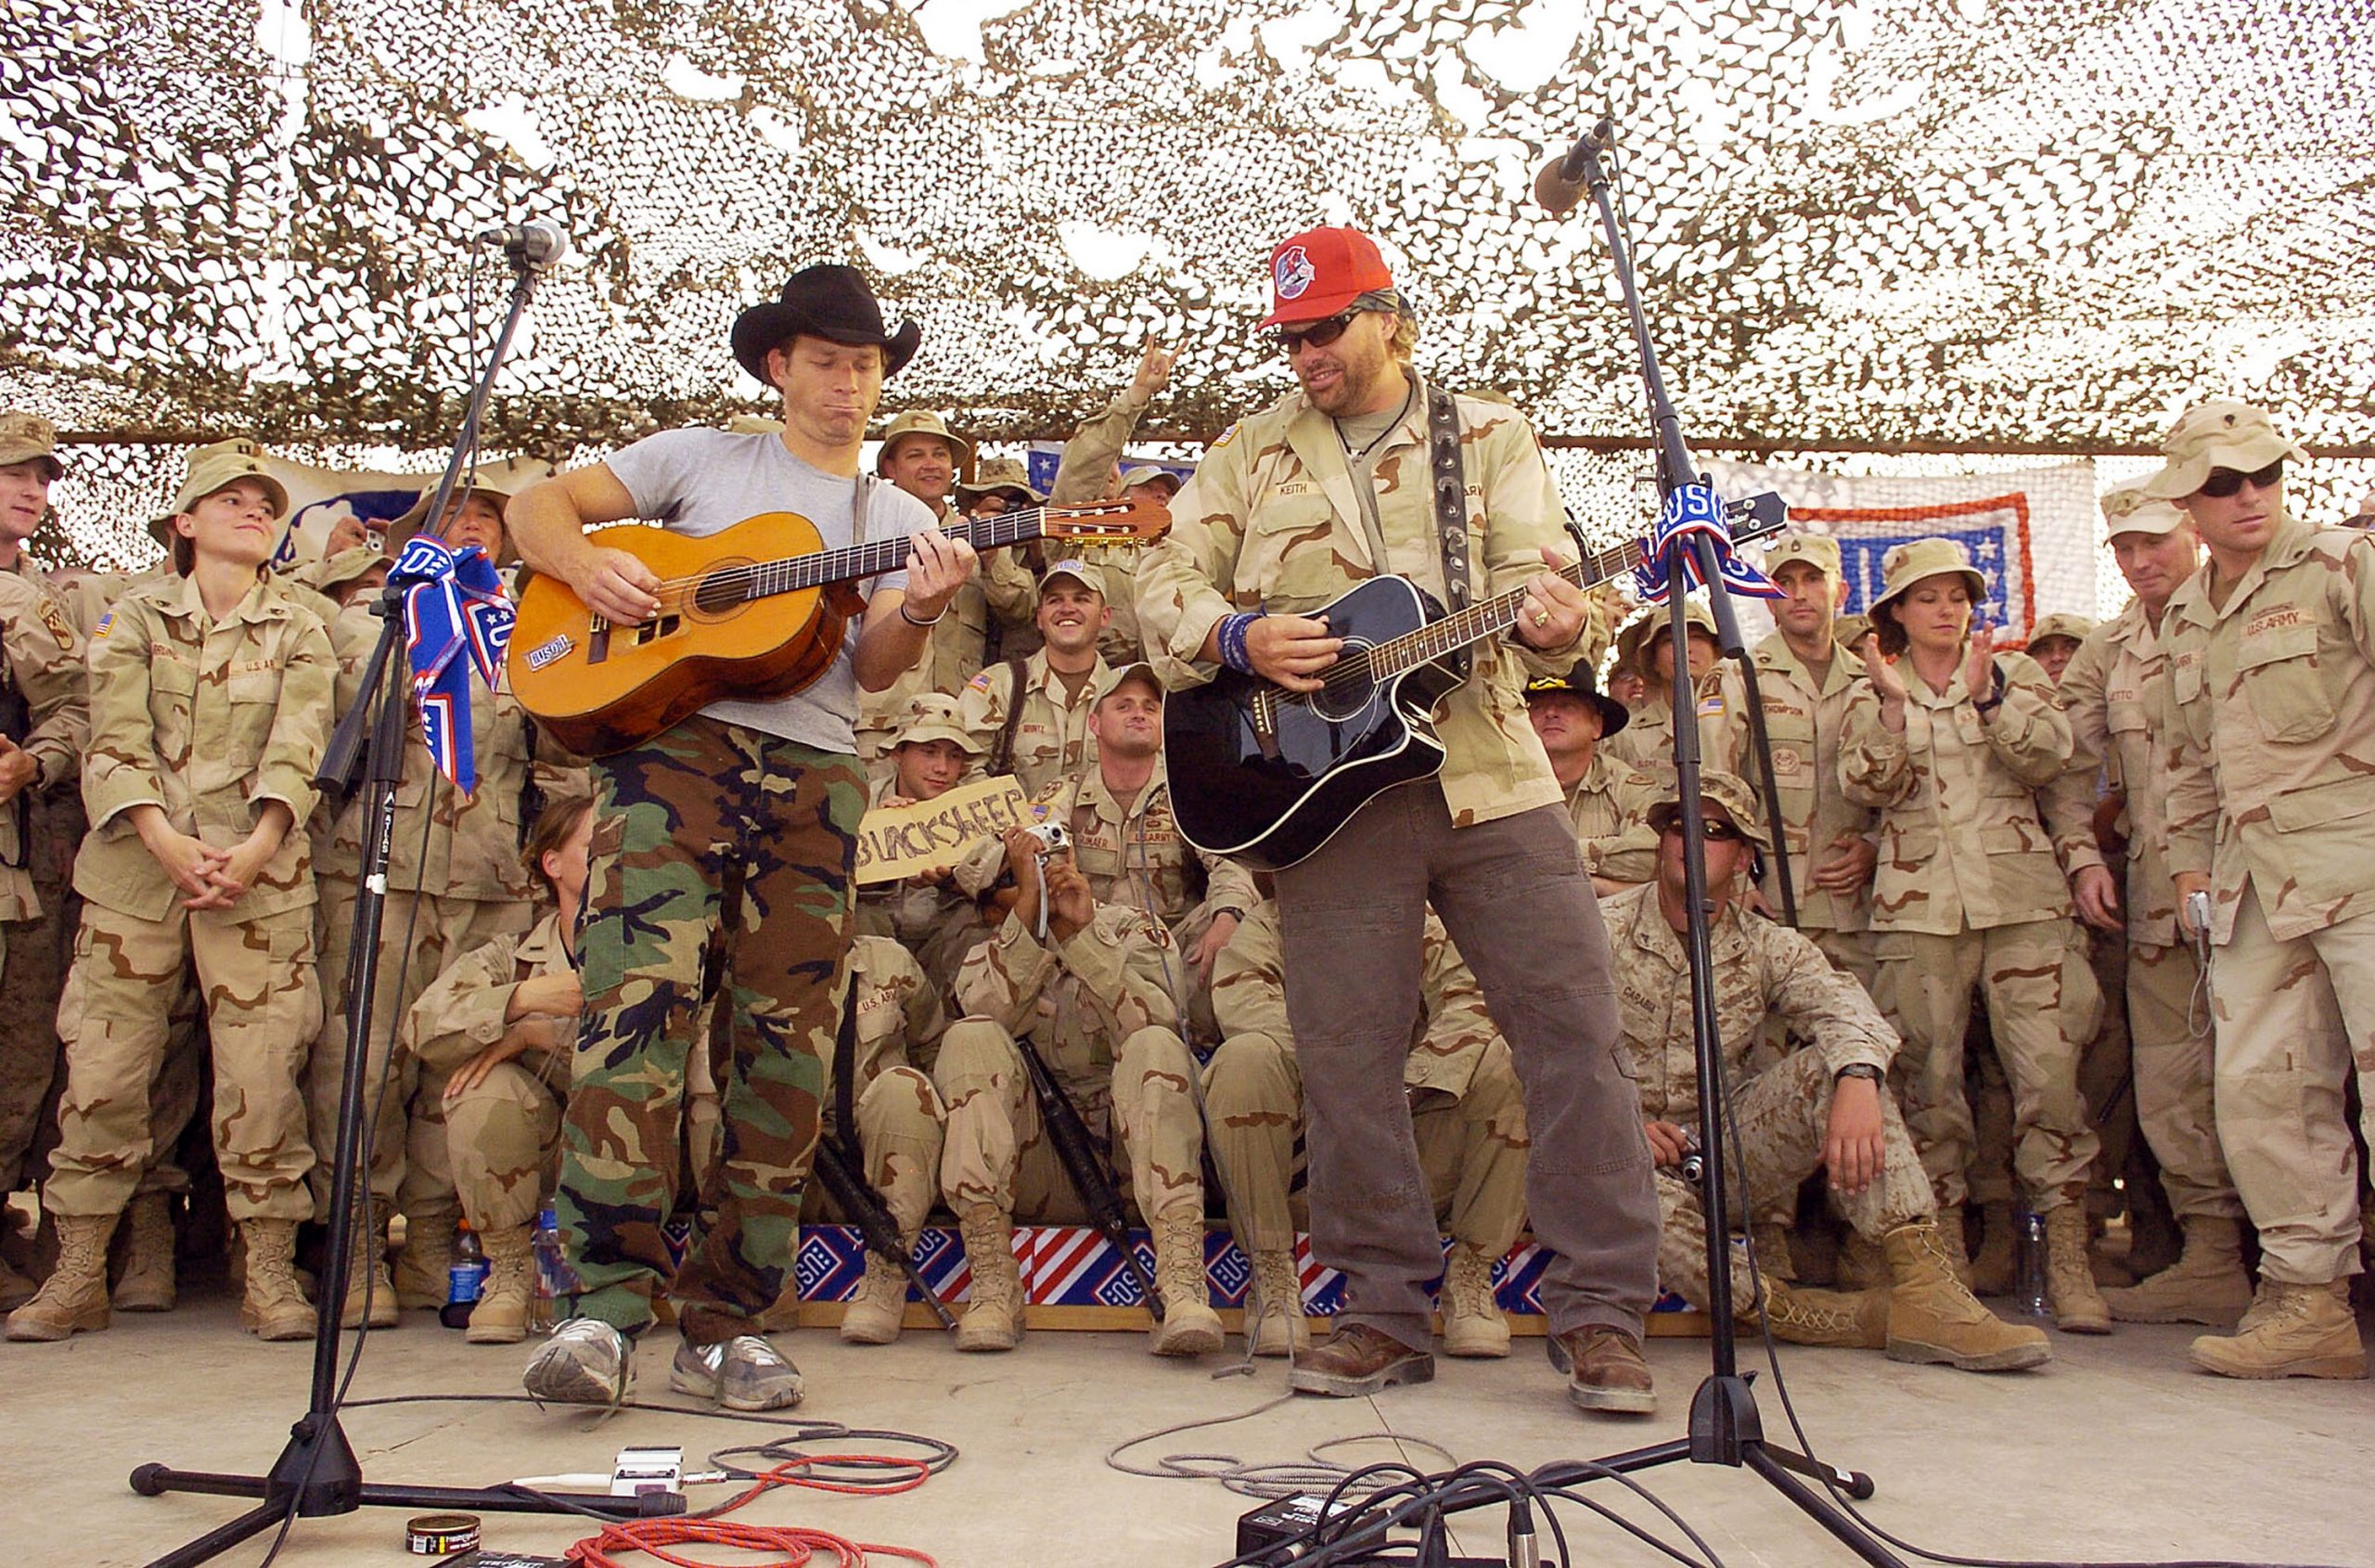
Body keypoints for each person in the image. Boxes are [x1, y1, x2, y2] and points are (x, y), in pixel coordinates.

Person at [1135, 224, 1662, 1413]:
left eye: (1325, 328)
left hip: (1491, 776)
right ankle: (1379, 1307)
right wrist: (1236, 637)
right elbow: (1156, 581)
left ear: (1388, 318)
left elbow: (1559, 592)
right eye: (1289, 336)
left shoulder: (1486, 435)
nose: (1306, 353)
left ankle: (1601, 1314)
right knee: (1345, 1055)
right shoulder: (1249, 451)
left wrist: (1555, 626)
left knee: (1574, 1035)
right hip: (1325, 796)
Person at [504, 263, 974, 1409]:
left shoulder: (898, 518)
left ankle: (725, 1320)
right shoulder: (698, 458)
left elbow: (871, 672)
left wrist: (914, 609)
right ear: (779, 366)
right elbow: (533, 506)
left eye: (866, 366)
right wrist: (588, 565)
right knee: (638, 1015)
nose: (849, 385)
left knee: (788, 1051)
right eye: (827, 361)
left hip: (816, 774)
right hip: (672, 757)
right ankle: (600, 1313)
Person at [7, 441, 334, 1344]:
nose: (253, 511)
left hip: (257, 884)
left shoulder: (299, 625)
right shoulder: (133, 619)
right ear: (184, 523)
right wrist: (164, 837)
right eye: (230, 499)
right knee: (105, 1075)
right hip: (134, 880)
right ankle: (79, 1272)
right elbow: (114, 742)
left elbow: (301, 746)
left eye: (265, 502)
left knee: (263, 1079)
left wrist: (259, 841)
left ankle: (267, 1269)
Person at [1606, 772, 2049, 1370]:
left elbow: (1844, 1007)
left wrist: (1859, 1080)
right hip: (1613, 1152)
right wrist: (1620, 1118)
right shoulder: (1598, 929)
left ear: (1742, 858)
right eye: (1679, 825)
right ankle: (1805, 1316)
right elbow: (1540, 1040)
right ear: (1660, 840)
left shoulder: (1768, 945)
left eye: (1714, 831)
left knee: (1838, 1068)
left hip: (1718, 1152)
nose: (1692, 840)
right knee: (1637, 1205)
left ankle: (1928, 1285)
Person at [2150, 401, 2375, 1380]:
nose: (2248, 496)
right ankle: (2308, 1303)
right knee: (2258, 1093)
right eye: (2221, 483)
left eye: (2263, 475)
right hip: (2254, 887)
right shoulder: (2188, 615)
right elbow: (2186, 761)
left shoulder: (2339, 567)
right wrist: (2191, 867)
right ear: (2186, 503)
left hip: (2359, 868)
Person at [1839, 536, 2108, 1333]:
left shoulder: (2015, 674)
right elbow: (1862, 783)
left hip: (2023, 903)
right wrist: (1891, 710)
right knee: (1928, 1084)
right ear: (1897, 614)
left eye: (1957, 595)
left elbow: (2055, 761)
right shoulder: (1872, 686)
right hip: (1919, 908)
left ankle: (2065, 1251)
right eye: (1927, 598)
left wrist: (1991, 702)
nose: (1946, 609)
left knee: (2050, 1079)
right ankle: (1941, 1258)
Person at [305, 481, 539, 1329]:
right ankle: (361, 1238)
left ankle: (435, 1242)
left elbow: (560, 763)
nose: (470, 526)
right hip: (380, 869)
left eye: (487, 518)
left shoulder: (529, 631)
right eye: (453, 515)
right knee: (360, 1063)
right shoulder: (367, 621)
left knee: (460, 1066)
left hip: (492, 881)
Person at [2042, 482, 2249, 1326]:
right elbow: (2059, 760)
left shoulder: (2246, 612)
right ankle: (2215, 1258)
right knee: (2171, 1086)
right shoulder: (2111, 648)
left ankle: (2313, 1273)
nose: (2138, 563)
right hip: (2161, 904)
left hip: (2270, 893)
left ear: (2192, 532)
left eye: (2153, 542)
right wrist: (2084, 854)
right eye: (2123, 549)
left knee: (2286, 1082)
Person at [931, 823, 1223, 1356]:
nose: (1039, 882)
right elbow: (985, 1011)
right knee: (970, 1038)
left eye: (1046, 866)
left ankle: (1181, 1285)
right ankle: (994, 1286)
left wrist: (1084, 938)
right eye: (1018, 878)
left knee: (1155, 1045)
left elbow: (1159, 1019)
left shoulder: (1133, 927)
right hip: (1038, 1167)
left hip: (1132, 1158)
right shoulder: (982, 950)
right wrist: (1028, 928)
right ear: (992, 902)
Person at [1205, 902, 1527, 1359]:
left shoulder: (1416, 919)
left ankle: (1471, 1275)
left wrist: (1407, 1084)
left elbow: (1472, 997)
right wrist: (1341, 1080)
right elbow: (1246, 1005)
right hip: (1313, 1159)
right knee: (1244, 1059)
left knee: (1511, 1062)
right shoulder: (1271, 922)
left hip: (1406, 1151)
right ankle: (1272, 1271)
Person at [402, 796, 591, 1343]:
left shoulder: (661, 946)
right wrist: (521, 999)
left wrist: (538, 1034)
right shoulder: (514, 958)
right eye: (593, 845)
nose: (612, 856)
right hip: (549, 1160)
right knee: (482, 1088)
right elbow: (424, 1026)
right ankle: (509, 1272)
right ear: (554, 864)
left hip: (638, 1158)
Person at [1028, 662, 1256, 1043]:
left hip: (1178, 951)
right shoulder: (1062, 794)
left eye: (1150, 707)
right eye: (1124, 705)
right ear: (1095, 724)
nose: (1139, 713)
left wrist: (1228, 915)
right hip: (1093, 945)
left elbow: (1229, 861)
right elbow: (1043, 871)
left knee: (1246, 925)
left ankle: (1246, 1055)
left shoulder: (1188, 792)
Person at [1702, 533, 1880, 987]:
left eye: (1813, 579)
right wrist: (1731, 885)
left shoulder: (1872, 682)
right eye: (1784, 582)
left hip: (1860, 909)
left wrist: (1876, 844)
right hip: (1768, 904)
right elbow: (1712, 794)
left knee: (1862, 1043)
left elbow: (1905, 789)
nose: (1799, 593)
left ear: (1839, 592)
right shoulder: (1739, 677)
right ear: (1768, 600)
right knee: (1769, 1052)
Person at [1048, 338, 1182, 662]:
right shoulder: (1077, 534)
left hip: (1159, 684)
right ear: (1120, 500)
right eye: (1147, 491)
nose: (1159, 496)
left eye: (1165, 493)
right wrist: (1138, 394)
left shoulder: (1177, 550)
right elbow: (1083, 467)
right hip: (1092, 676)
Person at [855, 693, 994, 1004]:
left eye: (954, 756)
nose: (942, 768)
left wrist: (952, 880)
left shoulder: (975, 812)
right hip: (878, 945)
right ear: (898, 754)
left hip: (942, 946)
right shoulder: (861, 805)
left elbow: (1000, 893)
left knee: (975, 920)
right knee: (857, 916)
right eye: (929, 752)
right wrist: (883, 845)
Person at [956, 559, 1112, 794]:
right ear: (1040, 618)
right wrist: (1017, 823)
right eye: (1055, 600)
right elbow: (961, 769)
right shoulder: (999, 687)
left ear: (1104, 617)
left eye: (1081, 599)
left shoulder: (1123, 695)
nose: (1067, 608)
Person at [1521, 662, 1660, 893]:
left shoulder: (1627, 787)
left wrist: (1555, 867)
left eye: (1567, 706)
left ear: (1596, 726)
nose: (1551, 713)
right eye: (1538, 707)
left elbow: (1653, 853)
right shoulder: (1504, 785)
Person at [1606, 600, 1721, 776]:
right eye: (1669, 640)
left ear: (1716, 653)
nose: (1685, 647)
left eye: (1698, 637)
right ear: (1653, 661)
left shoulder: (1740, 717)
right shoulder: (1623, 735)